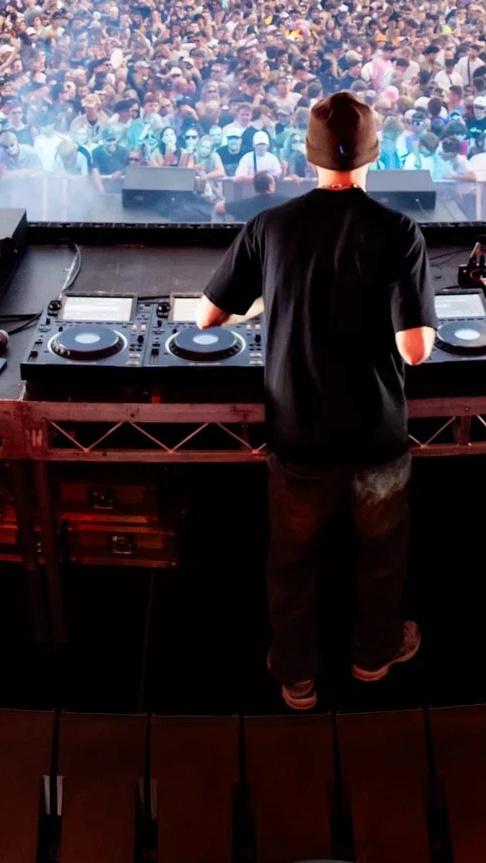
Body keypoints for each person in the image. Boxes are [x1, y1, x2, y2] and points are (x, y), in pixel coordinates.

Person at [193, 92, 438, 711]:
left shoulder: (270, 227)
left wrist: (269, 299)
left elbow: (207, 318)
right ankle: (372, 659)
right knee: (381, 558)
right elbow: (415, 350)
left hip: (297, 434)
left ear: (309, 156)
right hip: (377, 437)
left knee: (293, 562)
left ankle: (297, 677)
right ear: (375, 156)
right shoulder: (399, 231)